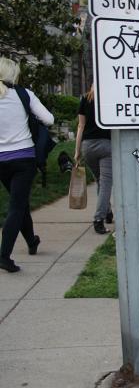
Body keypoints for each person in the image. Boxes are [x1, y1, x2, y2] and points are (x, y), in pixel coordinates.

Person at [0, 57, 54, 273]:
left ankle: (32, 241)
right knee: (16, 206)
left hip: (1, 160)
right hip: (23, 158)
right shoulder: (24, 95)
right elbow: (49, 120)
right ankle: (4, 256)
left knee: (19, 202)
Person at [74, 84, 112, 235]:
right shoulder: (109, 99)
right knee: (105, 183)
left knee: (99, 180)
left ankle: (107, 212)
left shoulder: (85, 99)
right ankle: (99, 219)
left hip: (88, 146)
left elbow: (80, 126)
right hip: (106, 145)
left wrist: (77, 150)